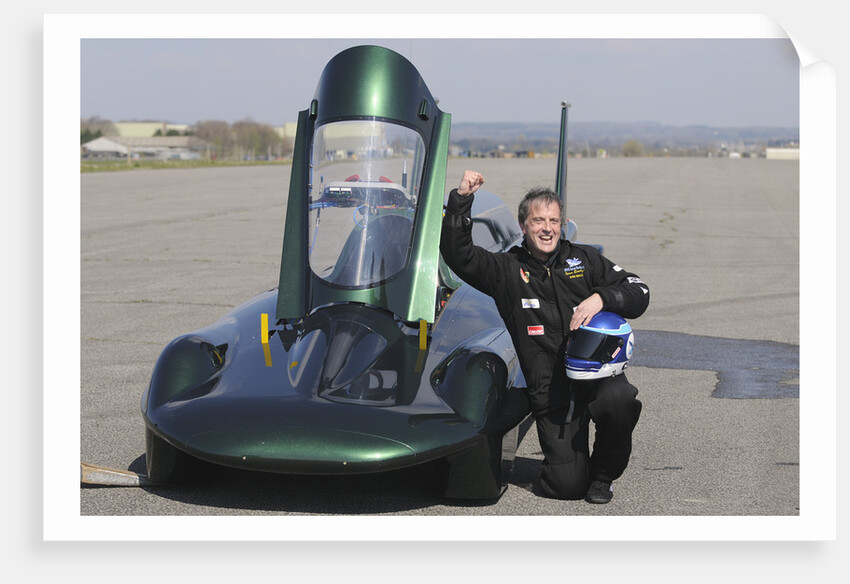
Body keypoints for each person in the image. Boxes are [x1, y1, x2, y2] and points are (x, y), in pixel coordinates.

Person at [440, 170, 650, 503]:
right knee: (565, 488)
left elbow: (639, 290)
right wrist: (461, 201)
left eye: (554, 220)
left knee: (619, 400)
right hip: (550, 388)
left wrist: (602, 298)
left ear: (562, 224)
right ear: (524, 226)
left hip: (597, 377)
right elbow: (459, 256)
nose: (547, 228)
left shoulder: (585, 260)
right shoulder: (506, 271)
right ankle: (572, 469)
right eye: (538, 221)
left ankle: (603, 476)